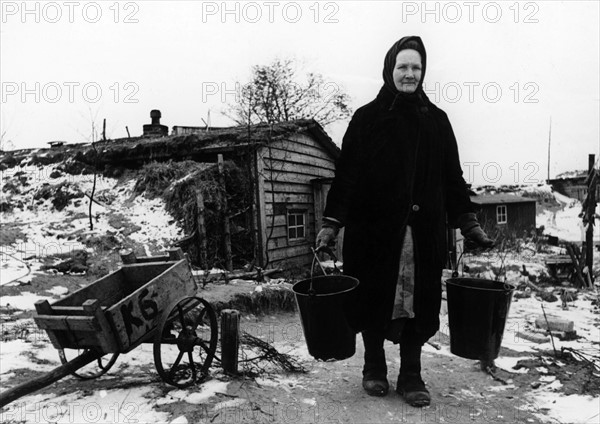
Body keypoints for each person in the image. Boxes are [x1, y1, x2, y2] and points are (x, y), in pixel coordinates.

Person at [316, 36, 494, 407]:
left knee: (421, 300)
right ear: (389, 70)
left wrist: (468, 222)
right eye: (403, 67)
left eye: (416, 67)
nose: (409, 74)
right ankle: (374, 366)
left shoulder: (438, 122)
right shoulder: (366, 118)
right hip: (372, 231)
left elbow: (452, 177)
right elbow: (346, 175)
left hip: (422, 231)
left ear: (423, 71)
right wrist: (332, 224)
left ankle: (411, 373)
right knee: (371, 296)